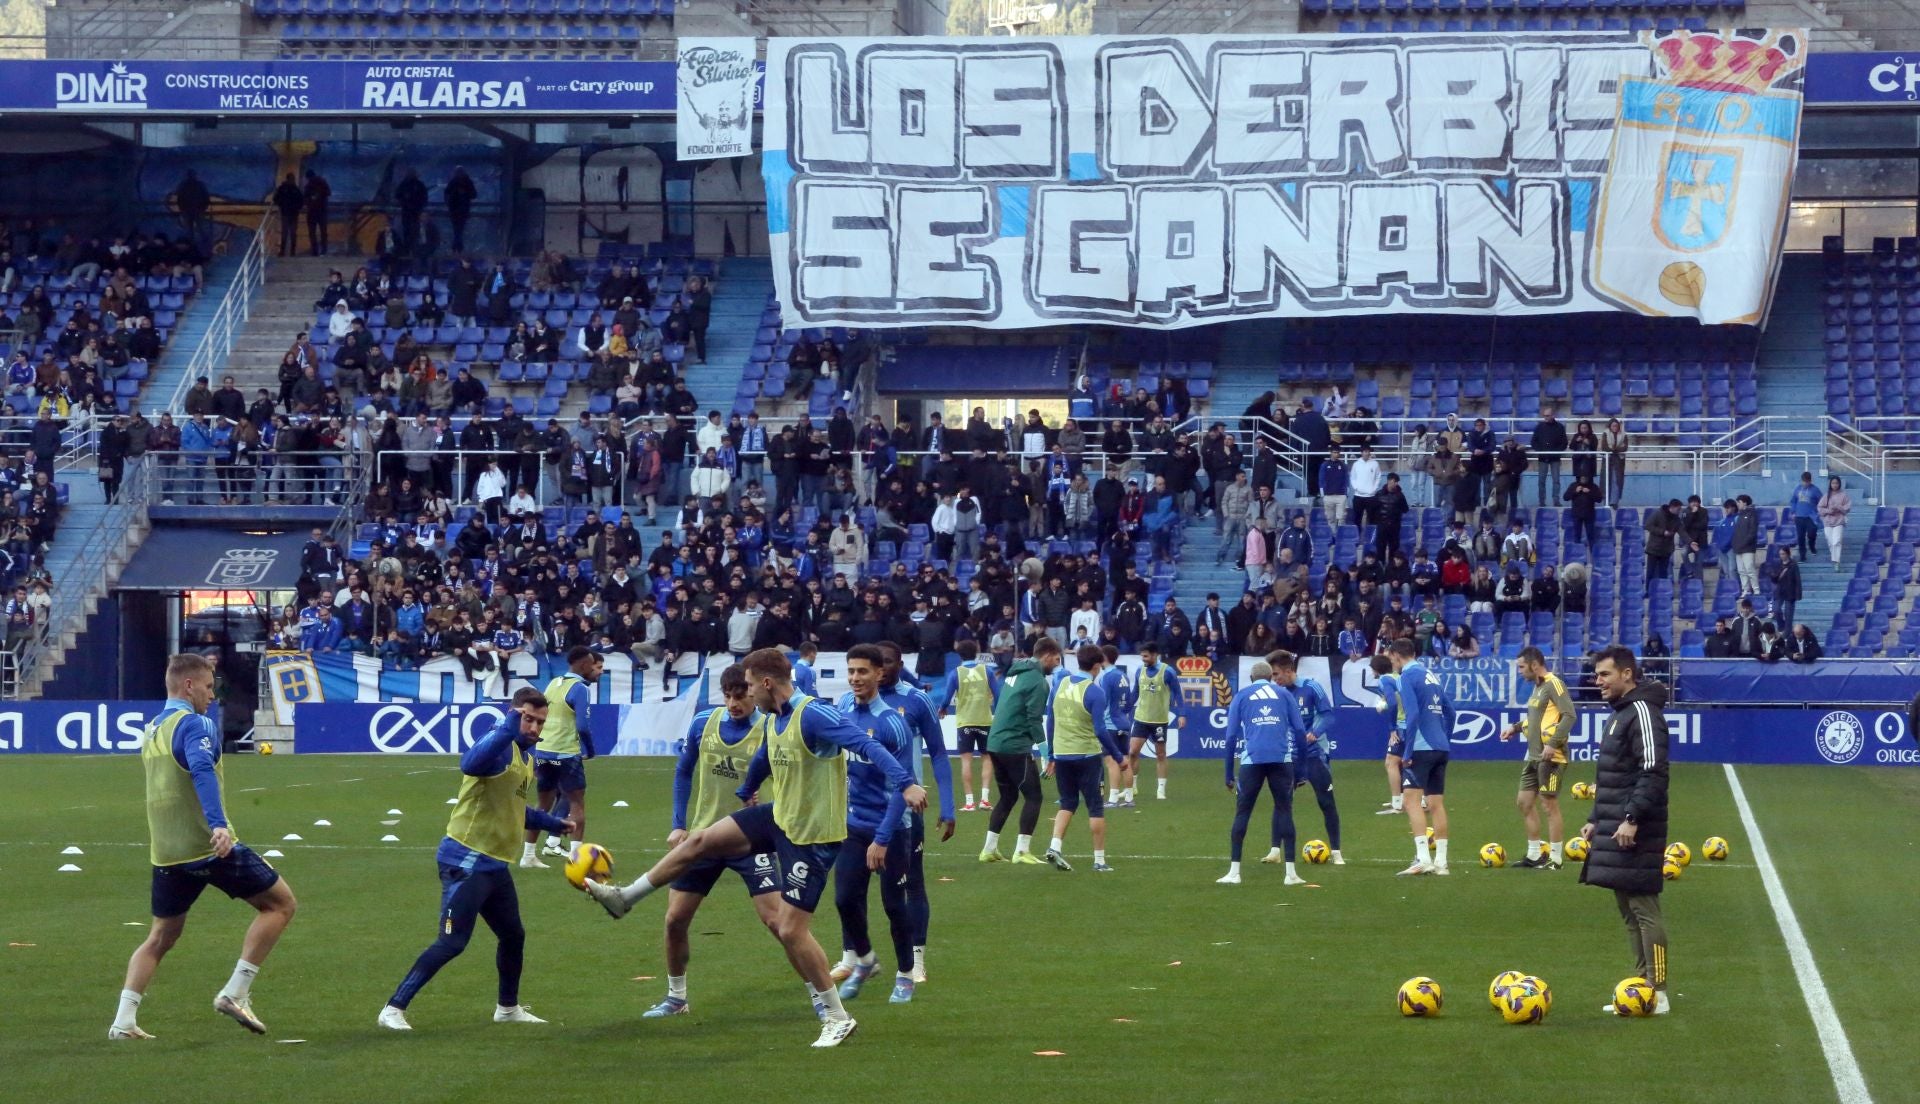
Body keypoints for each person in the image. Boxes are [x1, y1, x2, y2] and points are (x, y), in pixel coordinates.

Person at [584, 648, 927, 1048]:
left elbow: (867, 747)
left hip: (811, 838)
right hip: (779, 817)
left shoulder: (814, 714)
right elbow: (767, 754)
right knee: (701, 840)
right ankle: (625, 897)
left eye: (748, 686)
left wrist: (906, 783)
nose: (746, 693)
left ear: (765, 683)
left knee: (790, 929)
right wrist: (748, 787)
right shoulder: (774, 718)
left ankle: (837, 1017)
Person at [110, 654, 298, 1040]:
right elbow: (200, 770)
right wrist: (218, 825)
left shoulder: (153, 729)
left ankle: (123, 1022)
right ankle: (235, 992)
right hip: (209, 847)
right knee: (281, 905)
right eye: (209, 687)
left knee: (160, 936)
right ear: (189, 686)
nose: (213, 696)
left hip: (166, 852)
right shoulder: (195, 724)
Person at [378, 688, 572, 1030]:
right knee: (452, 942)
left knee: (513, 936)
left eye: (540, 722)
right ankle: (393, 1009)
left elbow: (516, 809)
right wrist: (508, 725)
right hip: (466, 860)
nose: (534, 727)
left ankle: (508, 1009)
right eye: (527, 719)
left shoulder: (526, 758)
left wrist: (554, 824)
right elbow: (469, 764)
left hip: (494, 864)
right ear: (512, 714)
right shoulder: (499, 745)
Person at [636, 664, 779, 1017]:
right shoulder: (704, 723)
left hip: (752, 839)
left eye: (740, 696)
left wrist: (769, 805)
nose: (733, 704)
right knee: (674, 920)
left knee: (778, 922)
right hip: (704, 837)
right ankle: (676, 998)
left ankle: (820, 995)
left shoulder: (770, 727)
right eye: (728, 696)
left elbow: (789, 775)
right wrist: (678, 824)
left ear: (753, 692)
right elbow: (683, 771)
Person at [829, 645, 923, 1003]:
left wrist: (882, 838)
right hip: (853, 825)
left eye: (862, 671)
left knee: (894, 905)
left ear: (879, 674)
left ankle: (905, 974)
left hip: (892, 829)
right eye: (851, 671)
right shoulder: (842, 712)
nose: (855, 678)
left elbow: (904, 784)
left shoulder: (892, 723)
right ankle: (866, 960)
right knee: (844, 900)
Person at [1583, 647, 1672, 1015]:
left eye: (1605, 674)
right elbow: (1614, 777)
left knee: (1644, 908)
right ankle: (1640, 987)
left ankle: (1659, 991)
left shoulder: (1642, 712)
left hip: (1637, 827)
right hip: (1616, 824)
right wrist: (1596, 818)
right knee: (1629, 910)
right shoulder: (1620, 713)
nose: (1598, 681)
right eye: (1597, 675)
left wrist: (1632, 818)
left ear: (1627, 674)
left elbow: (1653, 771)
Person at [868, 642, 956, 989]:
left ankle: (916, 960)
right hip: (861, 808)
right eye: (876, 663)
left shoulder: (916, 700)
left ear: (900, 664)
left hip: (906, 808)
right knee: (851, 887)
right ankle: (853, 955)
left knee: (912, 883)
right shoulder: (851, 702)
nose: (882, 669)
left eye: (888, 662)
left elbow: (938, 753)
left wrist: (948, 806)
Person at [1216, 659, 1307, 886]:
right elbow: (1299, 730)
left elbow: (1230, 737)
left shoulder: (1241, 696)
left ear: (1251, 678)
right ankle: (1291, 874)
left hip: (1252, 760)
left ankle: (1234, 872)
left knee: (1242, 813)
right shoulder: (1284, 694)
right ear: (1271, 677)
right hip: (1281, 759)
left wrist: (1228, 773)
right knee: (1285, 811)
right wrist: (1301, 770)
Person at [1041, 643, 1127, 872]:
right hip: (1087, 755)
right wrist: (1118, 756)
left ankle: (1055, 846)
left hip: (1062, 754)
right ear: (1097, 666)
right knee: (1095, 807)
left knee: (1067, 802)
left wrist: (1051, 754)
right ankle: (1099, 860)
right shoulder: (1094, 692)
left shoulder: (1060, 684)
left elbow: (1050, 720)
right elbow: (1100, 730)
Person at [520, 646, 601, 867]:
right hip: (566, 753)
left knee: (542, 804)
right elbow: (582, 726)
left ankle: (528, 856)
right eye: (592, 664)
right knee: (577, 804)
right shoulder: (580, 688)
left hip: (544, 750)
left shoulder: (553, 683)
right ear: (584, 664)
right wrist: (590, 749)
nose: (595, 668)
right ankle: (576, 860)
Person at [979, 637, 1057, 865]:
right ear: (1046, 655)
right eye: (1056, 659)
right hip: (1014, 744)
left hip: (995, 742)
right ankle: (1022, 851)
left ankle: (988, 849)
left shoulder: (1014, 672)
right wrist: (1045, 753)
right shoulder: (1038, 682)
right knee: (1034, 796)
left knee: (1008, 796)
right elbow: (1034, 719)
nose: (1056, 664)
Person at [1501, 647, 1575, 870]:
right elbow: (1536, 720)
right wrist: (1515, 728)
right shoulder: (1538, 687)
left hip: (1551, 757)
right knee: (1524, 802)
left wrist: (1553, 744)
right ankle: (1534, 855)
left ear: (1534, 665)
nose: (1520, 671)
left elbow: (1569, 715)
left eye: (1522, 667)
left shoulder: (1554, 684)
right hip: (1533, 756)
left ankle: (1556, 859)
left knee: (1549, 805)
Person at [1388, 639, 1455, 876]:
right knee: (1436, 804)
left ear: (1397, 655)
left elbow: (1413, 714)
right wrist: (1445, 738)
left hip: (1421, 747)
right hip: (1440, 747)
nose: (1392, 662)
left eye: (1391, 658)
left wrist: (1407, 752)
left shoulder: (1405, 677)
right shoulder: (1431, 675)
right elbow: (1450, 712)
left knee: (1410, 801)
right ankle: (1442, 863)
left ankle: (1424, 859)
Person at [1275, 650, 1343, 864]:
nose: (1274, 679)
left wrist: (1315, 732)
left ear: (1288, 671)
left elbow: (1328, 715)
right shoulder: (1278, 692)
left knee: (1326, 802)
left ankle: (1336, 852)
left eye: (1277, 674)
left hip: (1314, 754)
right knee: (1282, 803)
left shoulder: (1312, 687)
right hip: (1289, 756)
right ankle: (1275, 850)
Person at [940, 639, 1000, 814]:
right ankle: (985, 799)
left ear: (959, 654)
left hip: (965, 721)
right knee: (987, 758)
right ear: (977, 653)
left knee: (966, 761)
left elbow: (947, 697)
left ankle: (969, 802)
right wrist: (999, 713)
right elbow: (998, 695)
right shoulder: (987, 671)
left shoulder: (956, 674)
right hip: (984, 720)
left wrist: (942, 708)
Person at [1126, 641, 1182, 801]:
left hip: (1159, 721)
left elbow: (1178, 693)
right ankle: (1133, 786)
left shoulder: (1167, 672)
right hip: (1141, 719)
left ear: (1155, 655)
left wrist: (1182, 714)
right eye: (1142, 656)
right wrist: (1124, 710)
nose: (1143, 659)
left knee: (1161, 754)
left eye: (1146, 656)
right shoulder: (1140, 670)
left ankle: (1161, 789)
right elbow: (1135, 692)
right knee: (1132, 752)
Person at [1368, 653, 1406, 817]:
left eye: (1372, 669)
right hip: (1410, 723)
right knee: (1402, 763)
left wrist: (1392, 729)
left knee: (1391, 763)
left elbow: (1392, 703)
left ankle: (1397, 804)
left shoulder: (1384, 680)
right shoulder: (1397, 676)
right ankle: (1404, 800)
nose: (1372, 672)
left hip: (1401, 725)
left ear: (1377, 669)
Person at [1817, 476, 1851, 572]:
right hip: (1828, 521)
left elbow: (1847, 508)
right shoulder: (1826, 495)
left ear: (1839, 484)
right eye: (1833, 483)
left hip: (1839, 521)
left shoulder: (1843, 495)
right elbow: (1819, 508)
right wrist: (1828, 511)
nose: (1835, 485)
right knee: (1830, 541)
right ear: (1830, 484)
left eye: (1836, 483)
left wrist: (1838, 507)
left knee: (1837, 541)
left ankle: (1836, 562)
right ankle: (1835, 558)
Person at [1787, 470, 1820, 562]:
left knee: (1811, 533)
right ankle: (1802, 555)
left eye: (1807, 481)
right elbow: (1793, 501)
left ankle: (1812, 546)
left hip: (1811, 516)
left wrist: (1817, 511)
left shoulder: (1815, 490)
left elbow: (1821, 501)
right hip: (1799, 516)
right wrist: (1793, 512)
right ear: (1801, 480)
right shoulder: (1797, 489)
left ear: (1810, 481)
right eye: (1804, 481)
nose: (1805, 483)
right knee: (1800, 537)